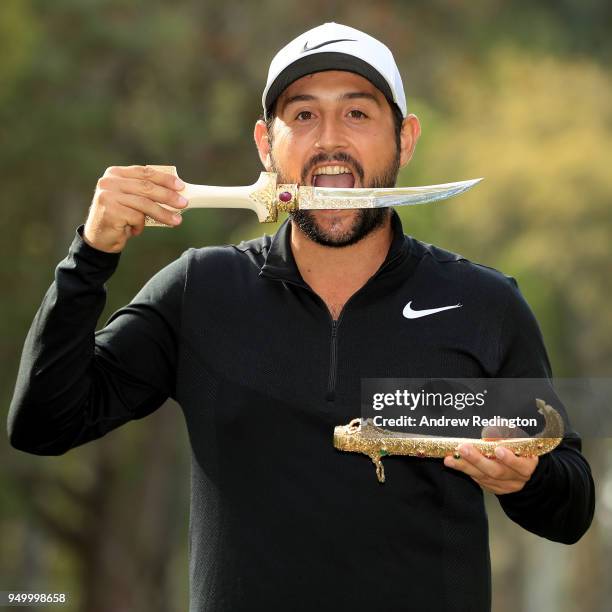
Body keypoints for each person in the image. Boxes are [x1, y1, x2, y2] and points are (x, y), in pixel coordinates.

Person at [8, 22, 595, 612]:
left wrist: (526, 479)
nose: (330, 141)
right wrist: (93, 252)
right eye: (305, 116)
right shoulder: (202, 291)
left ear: (406, 138)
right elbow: (44, 424)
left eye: (358, 115)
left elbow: (571, 506)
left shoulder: (483, 304)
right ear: (266, 144)